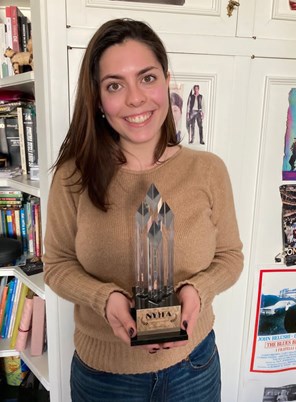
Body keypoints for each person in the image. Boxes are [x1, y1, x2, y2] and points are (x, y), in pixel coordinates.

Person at [43, 18, 243, 402]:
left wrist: (199, 290)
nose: (135, 98)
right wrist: (105, 299)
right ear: (98, 99)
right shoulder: (73, 176)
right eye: (115, 85)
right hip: (106, 378)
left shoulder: (209, 170)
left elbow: (230, 257)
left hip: (194, 369)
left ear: (167, 82)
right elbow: (57, 266)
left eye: (147, 78)